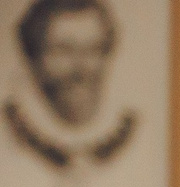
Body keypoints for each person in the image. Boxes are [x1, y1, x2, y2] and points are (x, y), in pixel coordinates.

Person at [6, 0, 136, 176]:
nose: (81, 68)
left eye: (93, 49)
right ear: (34, 58)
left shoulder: (135, 130)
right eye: (64, 50)